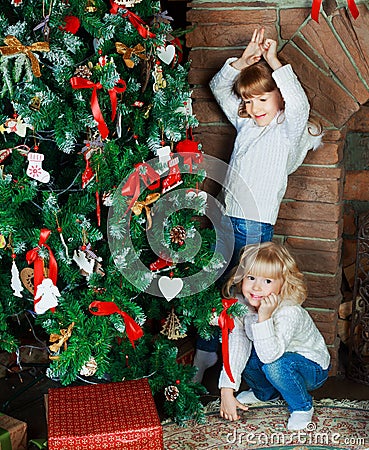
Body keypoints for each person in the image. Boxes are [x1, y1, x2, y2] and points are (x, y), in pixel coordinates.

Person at [193, 27, 323, 383]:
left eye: (262, 100)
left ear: (278, 98)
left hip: (255, 226)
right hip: (225, 218)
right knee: (212, 285)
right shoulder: (247, 123)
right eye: (249, 102)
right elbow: (219, 88)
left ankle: (232, 367)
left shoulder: (287, 131)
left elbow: (300, 104)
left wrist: (273, 60)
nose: (253, 108)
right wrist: (243, 61)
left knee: (241, 294)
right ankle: (205, 351)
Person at [219, 242, 331, 431]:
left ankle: (302, 406)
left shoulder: (289, 311)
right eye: (251, 277)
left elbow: (270, 357)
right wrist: (226, 390)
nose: (256, 287)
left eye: (267, 281)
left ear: (283, 284)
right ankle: (264, 393)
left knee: (275, 365)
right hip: (273, 360)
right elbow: (236, 347)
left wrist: (264, 317)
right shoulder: (240, 306)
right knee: (248, 354)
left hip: (311, 368)